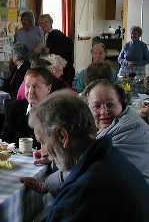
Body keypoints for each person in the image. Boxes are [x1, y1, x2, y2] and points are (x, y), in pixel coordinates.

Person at [26, 91, 149, 222]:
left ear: (62, 136)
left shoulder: (83, 192)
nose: (44, 150)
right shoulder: (109, 156)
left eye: (43, 141)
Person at [85, 79, 149, 182]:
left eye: (110, 105)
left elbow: (90, 170)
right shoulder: (115, 125)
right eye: (96, 106)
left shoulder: (128, 128)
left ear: (122, 103)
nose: (104, 112)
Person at [1, 67, 52, 143]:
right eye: (27, 86)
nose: (30, 91)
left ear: (48, 88)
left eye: (35, 86)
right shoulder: (14, 109)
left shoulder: (56, 113)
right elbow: (3, 143)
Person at [39, 14, 75, 85]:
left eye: (46, 22)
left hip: (63, 70)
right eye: (42, 23)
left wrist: (44, 50)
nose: (44, 25)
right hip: (60, 68)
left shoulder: (54, 34)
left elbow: (52, 52)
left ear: (51, 22)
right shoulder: (47, 35)